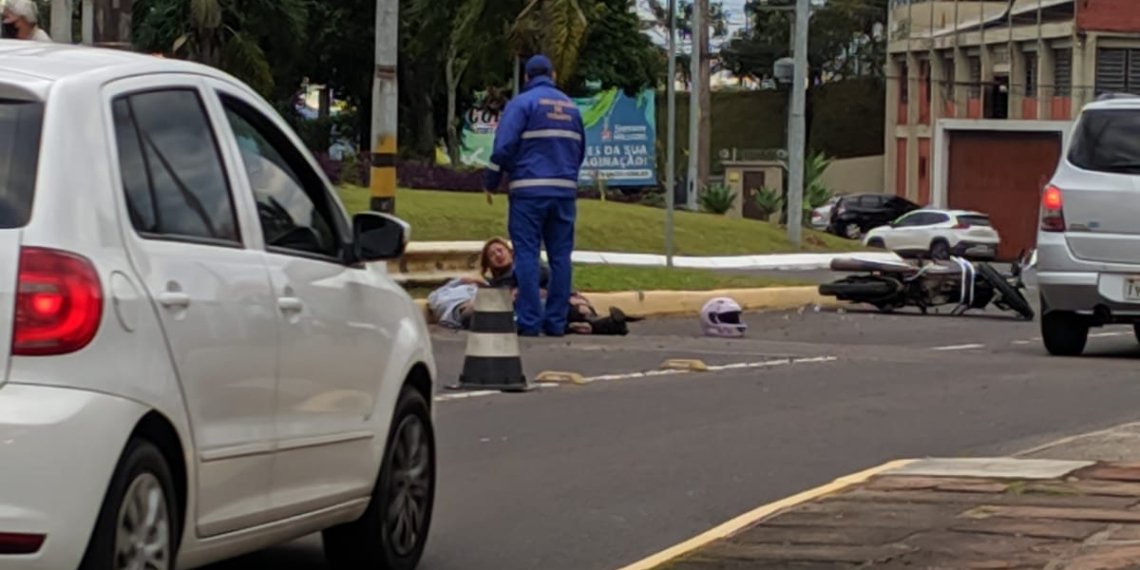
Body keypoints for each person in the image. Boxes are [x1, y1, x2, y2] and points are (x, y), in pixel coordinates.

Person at [484, 54, 586, 337]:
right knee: (560, 257)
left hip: (528, 193)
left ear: (527, 78)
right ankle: (555, 322)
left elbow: (503, 148)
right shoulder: (571, 107)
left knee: (527, 255)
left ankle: (530, 322)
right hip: (564, 193)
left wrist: (491, 181)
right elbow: (579, 150)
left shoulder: (521, 104)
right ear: (552, 76)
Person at [427, 238, 633, 335]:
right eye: (492, 255)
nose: (497, 255)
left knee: (574, 307)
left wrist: (568, 295)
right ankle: (591, 325)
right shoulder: (491, 285)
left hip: (548, 304)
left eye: (500, 251)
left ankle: (600, 323)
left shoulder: (530, 266)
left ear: (510, 252)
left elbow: (553, 282)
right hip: (523, 312)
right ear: (488, 265)